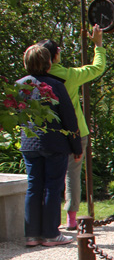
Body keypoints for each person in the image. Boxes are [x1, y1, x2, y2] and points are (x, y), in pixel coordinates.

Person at [40, 24, 106, 230]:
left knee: (46, 175)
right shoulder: (68, 75)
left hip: (45, 132)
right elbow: (97, 68)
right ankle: (71, 218)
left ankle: (48, 220)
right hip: (74, 131)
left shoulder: (33, 78)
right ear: (55, 55)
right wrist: (98, 45)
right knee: (72, 175)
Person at [17, 44, 81, 247]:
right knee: (52, 187)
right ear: (48, 63)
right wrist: (76, 146)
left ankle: (32, 234)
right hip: (54, 143)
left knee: (33, 187)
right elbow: (69, 118)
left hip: (29, 143)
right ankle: (51, 234)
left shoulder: (20, 86)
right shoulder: (55, 85)